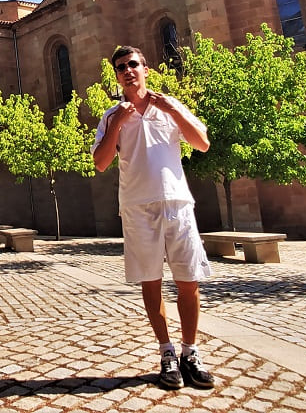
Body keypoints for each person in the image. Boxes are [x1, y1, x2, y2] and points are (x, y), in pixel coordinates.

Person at [90, 46, 214, 390]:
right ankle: (167, 352)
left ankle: (190, 351)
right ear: (116, 76)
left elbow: (201, 143)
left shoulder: (169, 106)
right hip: (136, 206)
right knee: (151, 280)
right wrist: (118, 122)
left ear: (146, 69)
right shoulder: (112, 115)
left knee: (189, 281)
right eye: (120, 67)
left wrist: (172, 108)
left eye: (133, 64)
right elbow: (100, 162)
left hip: (177, 203)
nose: (127, 70)